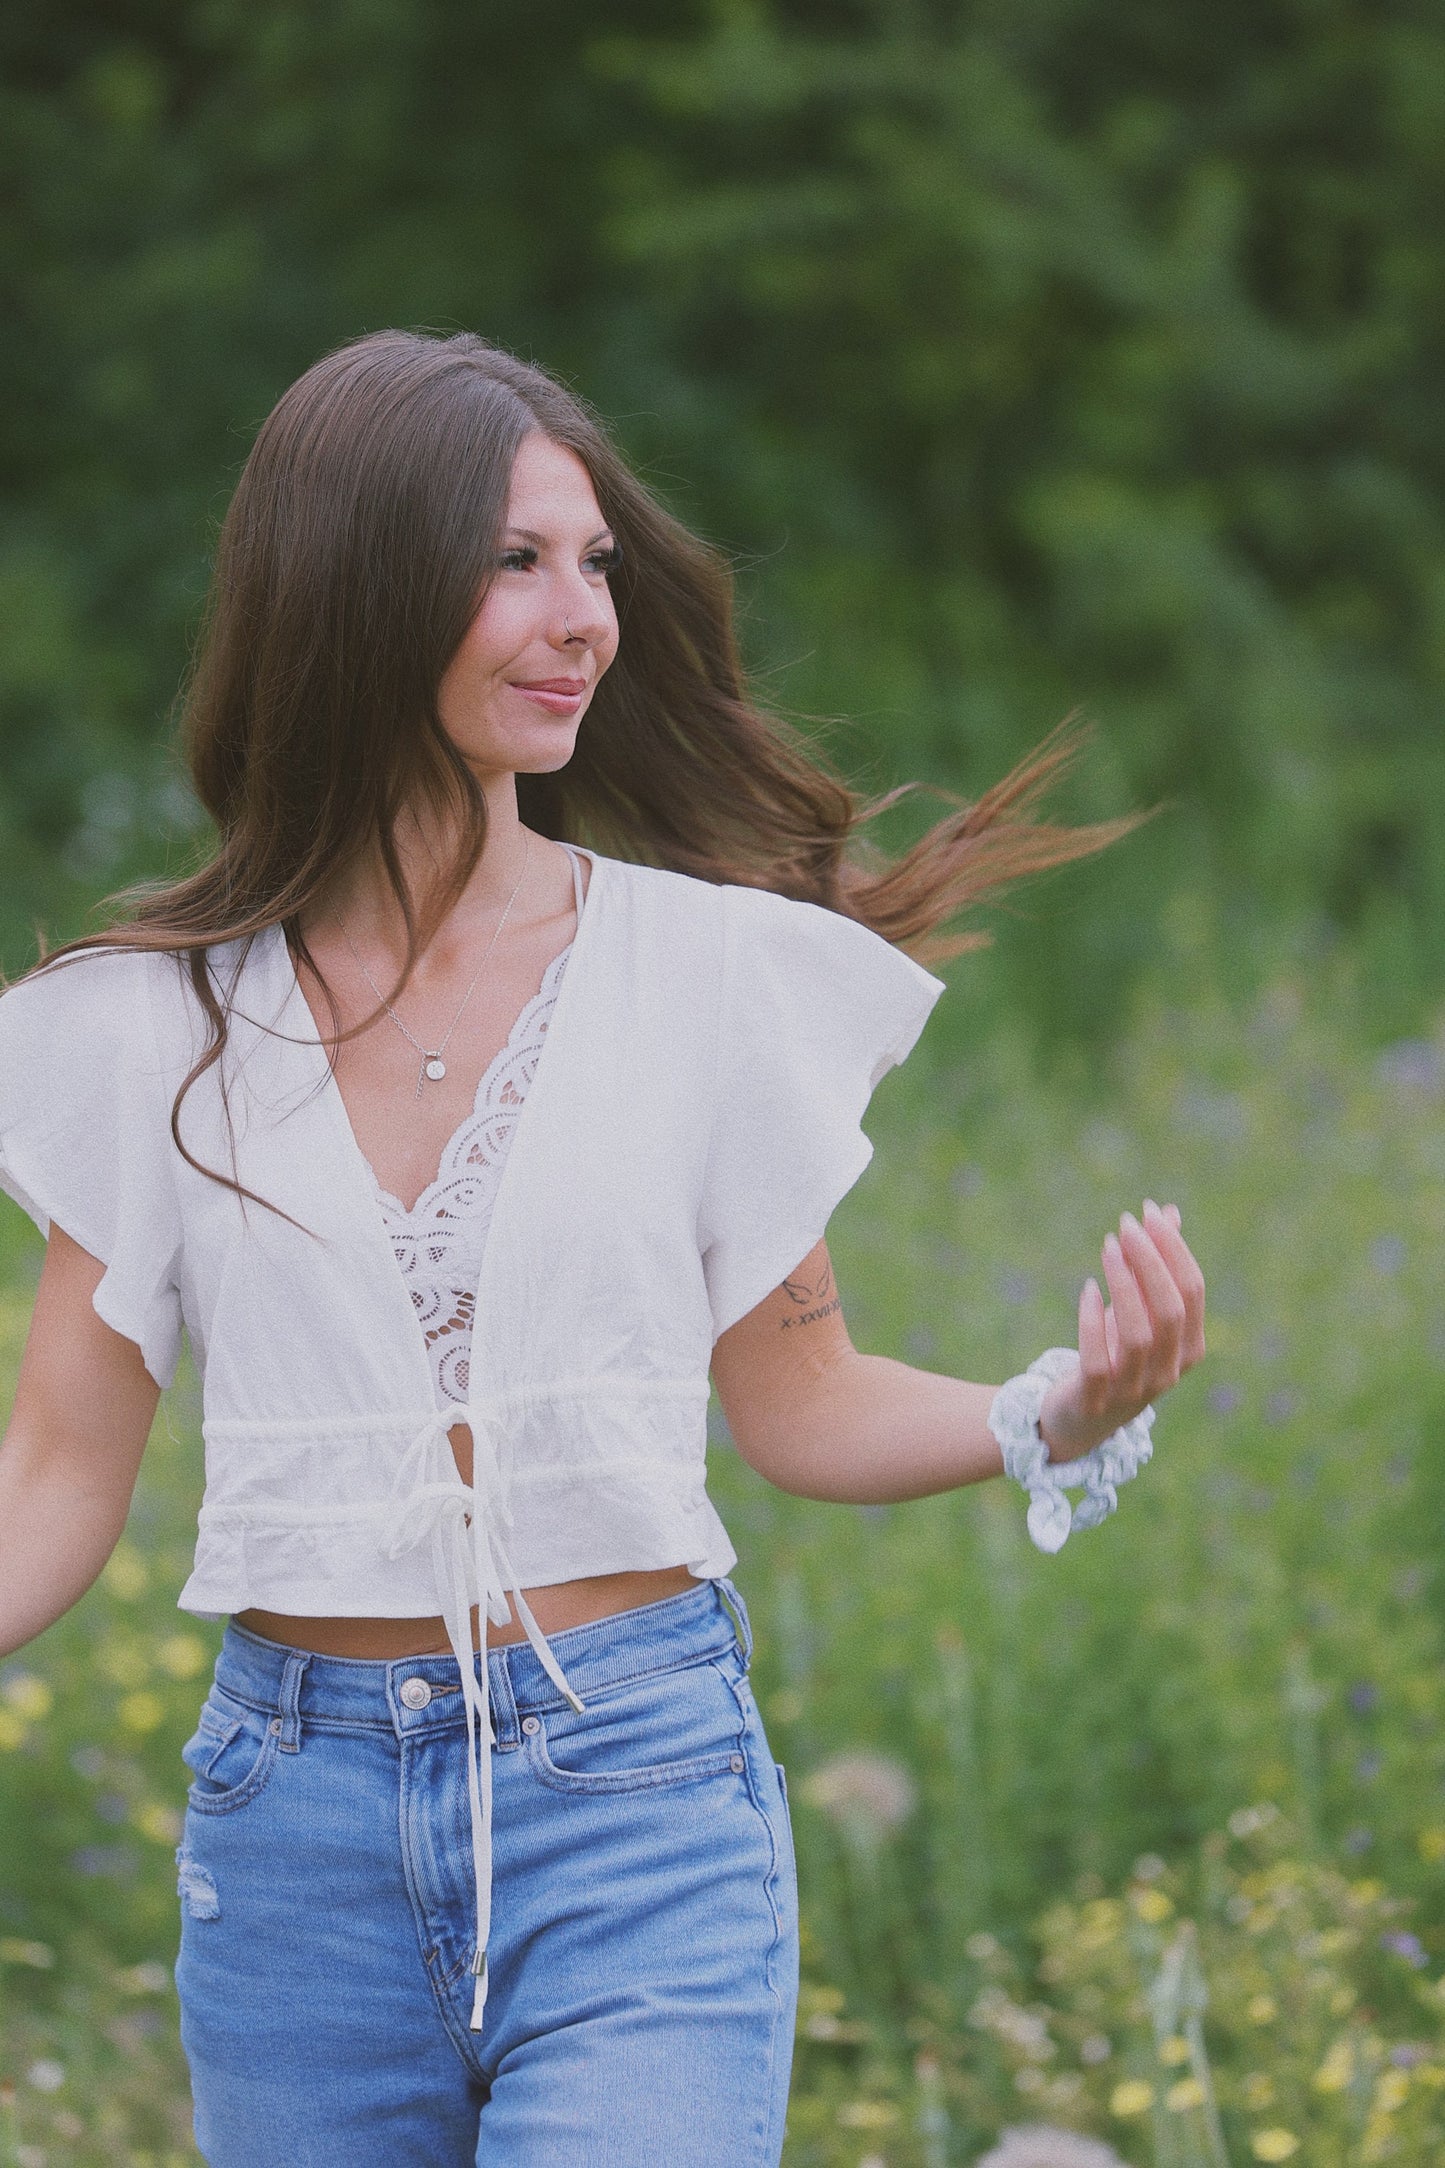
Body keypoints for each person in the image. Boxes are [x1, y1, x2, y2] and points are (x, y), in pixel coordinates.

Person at [0, 329, 1206, 2168]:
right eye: (513, 562)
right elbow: (54, 1478)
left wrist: (1053, 1403)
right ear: (351, 588)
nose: (581, 618)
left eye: (595, 564)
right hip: (292, 1829)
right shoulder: (147, 1031)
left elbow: (800, 1403)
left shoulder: (702, 979)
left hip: (634, 1792)